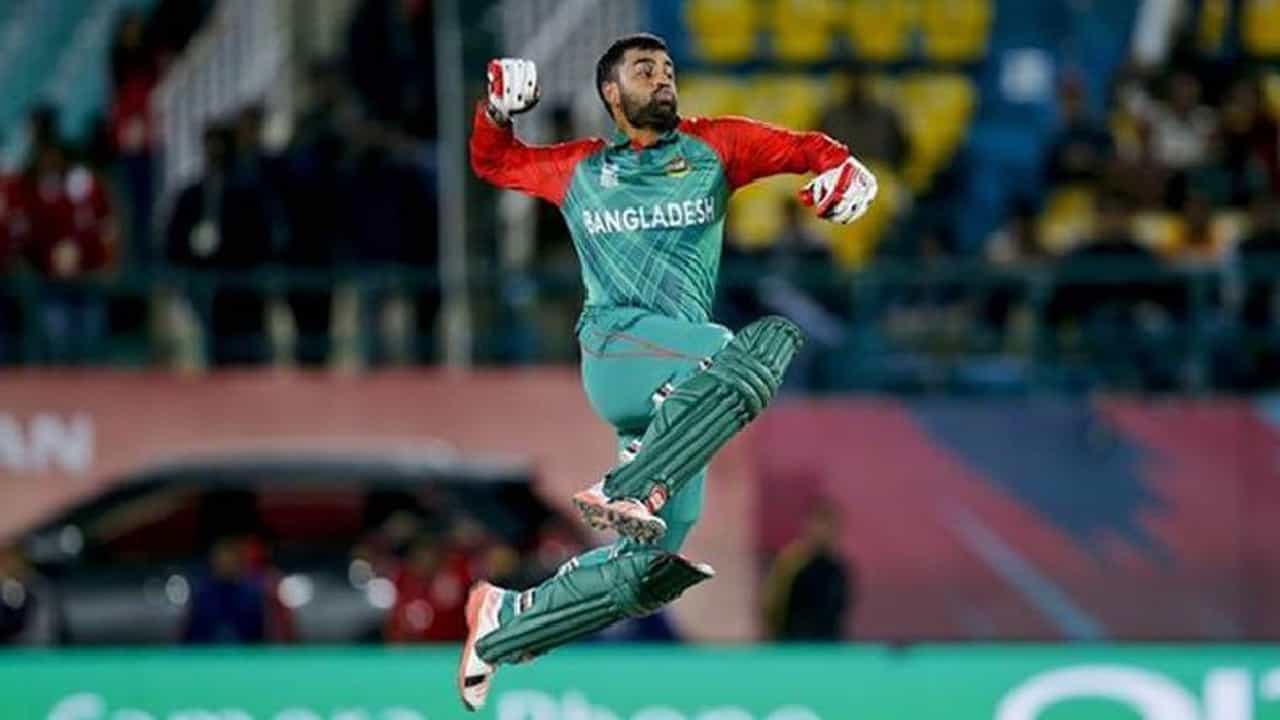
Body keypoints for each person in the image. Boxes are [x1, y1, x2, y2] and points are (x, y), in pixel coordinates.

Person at [457, 33, 878, 710]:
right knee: (741, 347)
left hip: (682, 391)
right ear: (610, 93)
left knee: (648, 570)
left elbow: (807, 149)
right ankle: (634, 485)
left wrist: (847, 169)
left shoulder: (716, 147)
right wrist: (496, 112)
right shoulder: (580, 168)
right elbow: (494, 162)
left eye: (669, 69)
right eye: (644, 70)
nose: (662, 79)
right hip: (617, 351)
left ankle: (505, 624)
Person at [762, 503, 854, 642]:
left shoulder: (839, 571)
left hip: (829, 646)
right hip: (793, 644)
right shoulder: (790, 565)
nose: (823, 532)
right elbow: (772, 607)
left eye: (828, 527)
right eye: (818, 525)